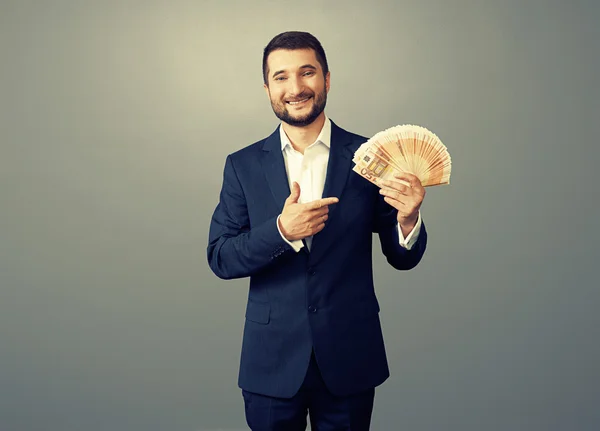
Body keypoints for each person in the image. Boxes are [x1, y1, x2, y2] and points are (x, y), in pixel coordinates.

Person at [207, 30, 427, 431]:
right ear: (267, 88)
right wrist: (280, 231)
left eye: (307, 73)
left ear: (327, 79)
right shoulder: (242, 166)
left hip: (350, 357)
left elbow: (403, 257)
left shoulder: (370, 158)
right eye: (281, 77)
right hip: (270, 363)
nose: (295, 88)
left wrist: (408, 219)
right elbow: (220, 257)